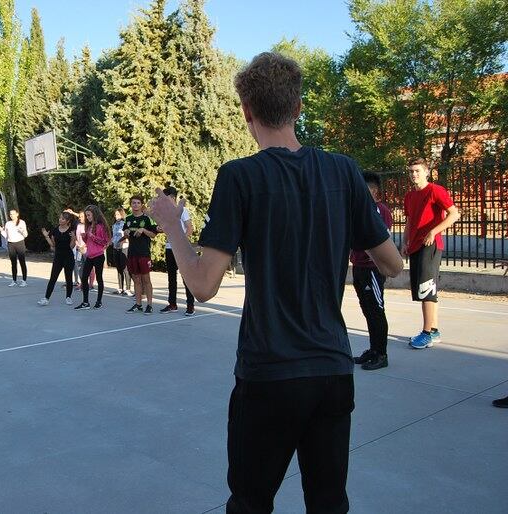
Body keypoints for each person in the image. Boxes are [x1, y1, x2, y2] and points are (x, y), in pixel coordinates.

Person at [148, 53, 403, 514]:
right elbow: (393, 264)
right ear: (299, 107)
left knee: (251, 502)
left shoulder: (239, 176)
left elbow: (203, 285)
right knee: (328, 503)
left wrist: (172, 224)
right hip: (331, 370)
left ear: (247, 111)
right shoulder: (344, 171)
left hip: (269, 375)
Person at [402, 157, 460, 349]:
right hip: (416, 246)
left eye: (417, 170)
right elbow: (410, 221)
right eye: (411, 171)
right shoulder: (410, 196)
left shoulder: (435, 190)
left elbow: (454, 214)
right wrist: (405, 242)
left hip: (431, 246)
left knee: (427, 289)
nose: (414, 174)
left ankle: (426, 333)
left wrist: (434, 231)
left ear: (427, 172)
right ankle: (434, 330)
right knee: (423, 289)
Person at [351, 172, 394, 370]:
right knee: (367, 309)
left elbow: (380, 237)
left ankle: (381, 353)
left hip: (372, 269)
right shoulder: (360, 209)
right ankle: (373, 349)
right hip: (359, 266)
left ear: (374, 191)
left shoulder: (379, 210)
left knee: (376, 310)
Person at [159, 186, 195, 316]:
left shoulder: (183, 210)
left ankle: (190, 306)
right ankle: (172, 304)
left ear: (172, 198)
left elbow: (189, 228)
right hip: (169, 248)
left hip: (181, 249)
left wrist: (180, 241)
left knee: (186, 277)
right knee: (171, 278)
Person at [122, 195, 158, 315]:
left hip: (144, 253)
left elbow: (153, 234)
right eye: (133, 203)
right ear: (131, 205)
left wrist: (143, 230)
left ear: (141, 205)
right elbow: (126, 234)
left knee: (146, 279)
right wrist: (126, 233)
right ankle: (138, 304)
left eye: (138, 203)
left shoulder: (147, 219)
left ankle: (149, 305)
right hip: (132, 253)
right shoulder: (128, 219)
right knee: (136, 279)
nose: (135, 205)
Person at [74, 205, 110, 310]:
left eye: (89, 215)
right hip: (89, 255)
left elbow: (105, 242)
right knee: (84, 277)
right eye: (86, 216)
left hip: (98, 255)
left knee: (99, 278)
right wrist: (85, 237)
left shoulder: (101, 226)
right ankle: (85, 302)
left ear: (94, 214)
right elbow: (88, 242)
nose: (87, 217)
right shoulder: (89, 226)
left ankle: (99, 301)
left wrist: (92, 236)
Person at [39, 211, 77, 306]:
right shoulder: (55, 230)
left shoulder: (71, 231)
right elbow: (53, 245)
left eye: (63, 218)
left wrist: (74, 238)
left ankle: (68, 297)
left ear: (68, 221)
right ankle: (46, 298)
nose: (60, 220)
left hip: (68, 256)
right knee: (53, 278)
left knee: (68, 278)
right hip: (58, 257)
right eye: (60, 218)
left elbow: (71, 246)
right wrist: (46, 236)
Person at [0, 209, 28, 287]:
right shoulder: (8, 223)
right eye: (10, 214)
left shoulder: (22, 222)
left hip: (20, 243)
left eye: (13, 214)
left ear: (17, 214)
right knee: (13, 263)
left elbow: (26, 235)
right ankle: (14, 280)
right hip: (11, 244)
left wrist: (22, 231)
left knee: (22, 262)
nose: (11, 215)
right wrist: (2, 231)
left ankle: (24, 280)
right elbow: (6, 235)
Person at [110, 208, 132, 296]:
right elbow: (113, 236)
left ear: (122, 215)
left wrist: (123, 241)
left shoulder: (124, 224)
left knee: (125, 268)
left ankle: (128, 289)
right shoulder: (114, 225)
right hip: (116, 247)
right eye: (115, 215)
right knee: (119, 268)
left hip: (124, 247)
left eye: (118, 214)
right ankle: (120, 288)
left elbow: (127, 235)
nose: (116, 216)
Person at [74, 209, 96, 291]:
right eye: (79, 217)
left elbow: (91, 238)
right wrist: (78, 245)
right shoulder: (78, 225)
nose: (80, 218)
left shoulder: (90, 226)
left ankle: (91, 285)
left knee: (89, 267)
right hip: (79, 248)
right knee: (80, 267)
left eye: (82, 216)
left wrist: (84, 246)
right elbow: (76, 237)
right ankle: (83, 284)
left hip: (87, 249)